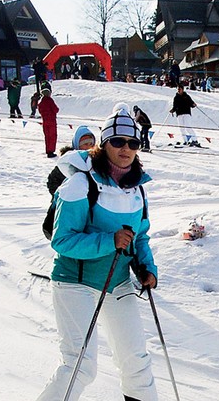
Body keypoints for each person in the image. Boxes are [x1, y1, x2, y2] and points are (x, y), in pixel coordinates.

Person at [36, 106, 159, 401]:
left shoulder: (138, 189)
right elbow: (62, 240)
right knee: (80, 366)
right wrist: (109, 241)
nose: (126, 149)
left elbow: (139, 236)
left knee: (136, 362)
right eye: (118, 142)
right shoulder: (81, 184)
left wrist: (147, 268)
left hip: (116, 281)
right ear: (103, 144)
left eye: (133, 143)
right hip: (73, 282)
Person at [46, 126, 96, 195]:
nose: (89, 147)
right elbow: (53, 181)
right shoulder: (68, 161)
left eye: (91, 144)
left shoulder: (95, 161)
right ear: (77, 144)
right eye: (85, 144)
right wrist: (61, 195)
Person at [38, 87, 59, 157]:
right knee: (53, 136)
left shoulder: (41, 102)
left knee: (47, 137)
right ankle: (51, 151)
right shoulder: (50, 100)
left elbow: (40, 110)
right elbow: (56, 109)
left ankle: (48, 150)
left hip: (44, 121)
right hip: (51, 120)